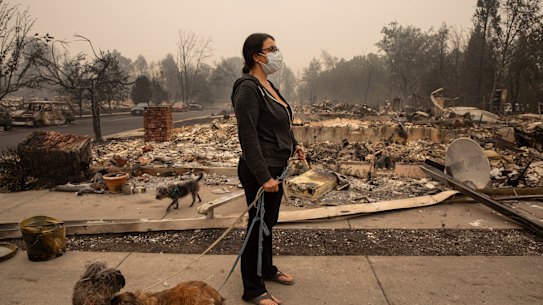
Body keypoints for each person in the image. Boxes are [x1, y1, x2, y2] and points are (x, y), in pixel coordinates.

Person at [231, 33, 305, 305]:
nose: (277, 53)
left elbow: (281, 123)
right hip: (258, 171)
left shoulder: (268, 85)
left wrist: (294, 145)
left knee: (267, 224)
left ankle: (267, 269)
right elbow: (248, 135)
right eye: (271, 49)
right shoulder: (248, 88)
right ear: (256, 56)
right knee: (257, 225)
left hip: (277, 166)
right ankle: (252, 289)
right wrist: (264, 177)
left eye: (276, 47)